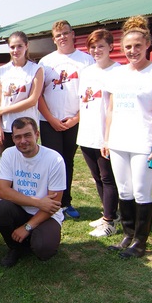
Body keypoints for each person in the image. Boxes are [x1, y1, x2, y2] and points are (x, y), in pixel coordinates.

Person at [101, 16, 152, 259]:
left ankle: (140, 242)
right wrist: (107, 139)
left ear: (148, 44)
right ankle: (128, 235)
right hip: (119, 142)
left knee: (142, 191)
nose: (133, 51)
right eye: (128, 47)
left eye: (138, 46)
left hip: (146, 143)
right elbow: (111, 109)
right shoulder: (117, 74)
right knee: (124, 190)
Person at [37, 20, 94, 219]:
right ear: (53, 39)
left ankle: (66, 202)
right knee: (52, 162)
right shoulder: (45, 62)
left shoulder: (86, 60)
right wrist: (51, 119)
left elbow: (91, 94)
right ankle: (51, 202)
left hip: (74, 121)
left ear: (73, 34)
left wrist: (76, 119)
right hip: (49, 122)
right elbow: (38, 95)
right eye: (58, 35)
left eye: (65, 33)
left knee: (67, 161)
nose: (62, 37)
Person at [0, 117, 65, 267]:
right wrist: (38, 202)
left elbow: (54, 204)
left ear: (37, 135)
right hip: (21, 209)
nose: (23, 141)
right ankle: (15, 247)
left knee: (43, 250)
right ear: (13, 138)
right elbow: (2, 191)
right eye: (18, 137)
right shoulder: (9, 154)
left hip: (47, 215)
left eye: (27, 135)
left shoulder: (54, 159)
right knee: (1, 208)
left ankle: (33, 238)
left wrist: (27, 227)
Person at [76, 30, 121, 237]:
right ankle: (108, 213)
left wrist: (109, 137)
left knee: (108, 177)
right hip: (87, 133)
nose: (96, 50)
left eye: (101, 46)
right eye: (93, 47)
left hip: (106, 134)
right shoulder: (86, 72)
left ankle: (110, 222)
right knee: (97, 177)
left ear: (111, 47)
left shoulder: (118, 71)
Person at [0, 31, 44, 151]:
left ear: (26, 46)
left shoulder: (36, 69)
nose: (16, 50)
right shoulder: (0, 71)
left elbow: (32, 100)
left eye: (19, 46)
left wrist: (4, 110)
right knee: (9, 159)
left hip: (27, 127)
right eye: (12, 47)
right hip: (7, 127)